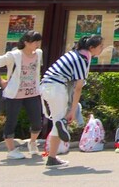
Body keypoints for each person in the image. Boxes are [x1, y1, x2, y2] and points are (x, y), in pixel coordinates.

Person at [39, 35, 105, 168]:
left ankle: (52, 157)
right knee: (59, 122)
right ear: (91, 48)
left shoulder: (76, 54)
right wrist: (73, 110)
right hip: (56, 87)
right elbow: (78, 87)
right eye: (100, 46)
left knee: (58, 123)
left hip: (48, 87)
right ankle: (53, 151)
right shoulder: (82, 59)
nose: (102, 49)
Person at [0, 31, 45, 159]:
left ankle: (33, 143)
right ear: (26, 42)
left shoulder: (38, 54)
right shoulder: (14, 55)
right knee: (11, 122)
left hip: (32, 93)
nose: (37, 44)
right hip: (14, 94)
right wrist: (1, 81)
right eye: (35, 41)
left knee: (37, 123)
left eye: (38, 41)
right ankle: (11, 150)